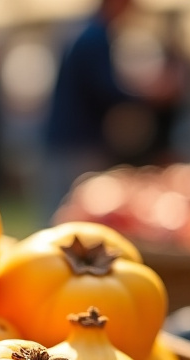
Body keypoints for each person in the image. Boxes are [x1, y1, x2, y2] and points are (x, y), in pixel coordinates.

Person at [41, 0, 138, 222]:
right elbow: (105, 89)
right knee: (75, 212)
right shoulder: (95, 37)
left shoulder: (82, 31)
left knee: (61, 210)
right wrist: (146, 95)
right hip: (79, 141)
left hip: (66, 136)